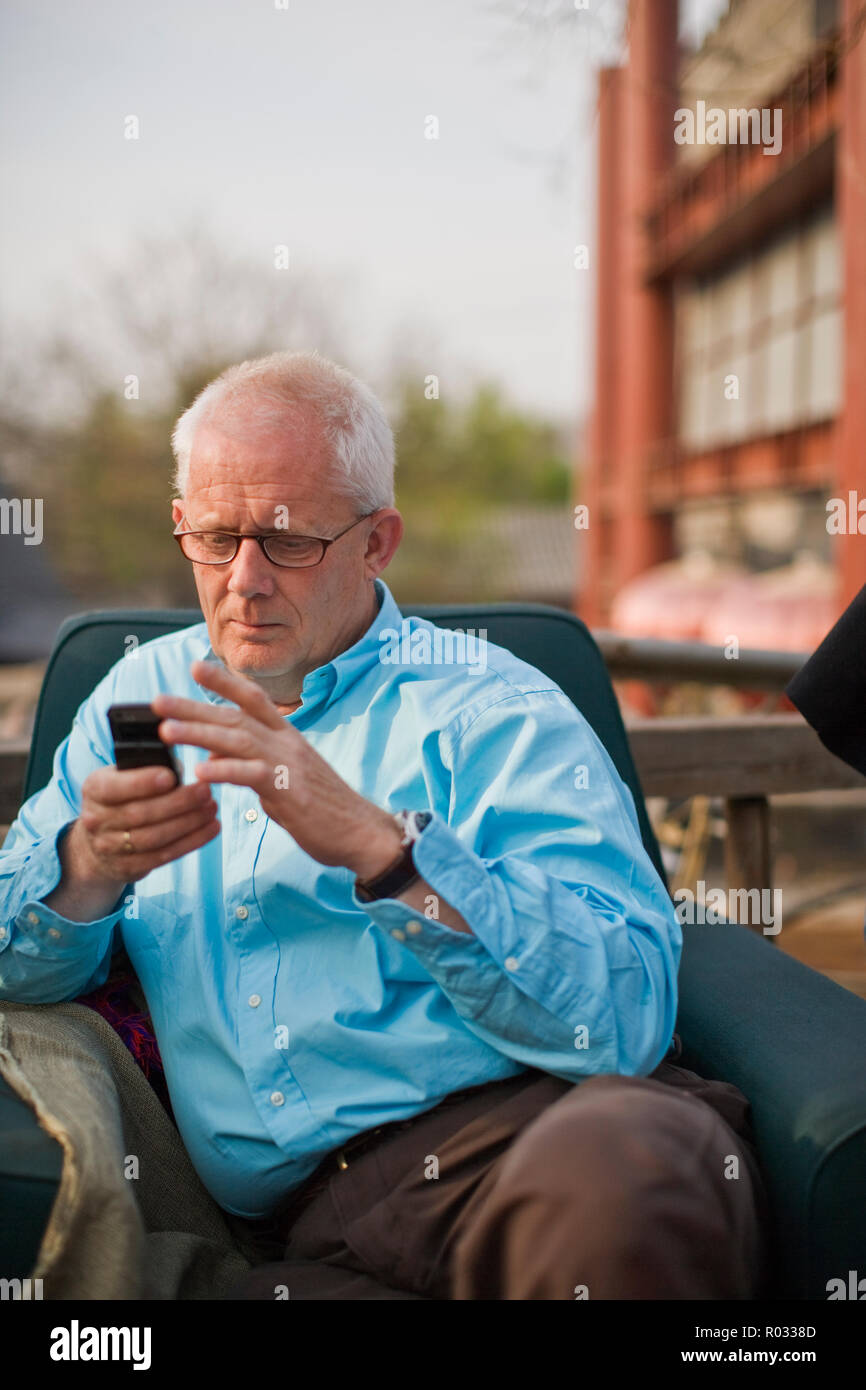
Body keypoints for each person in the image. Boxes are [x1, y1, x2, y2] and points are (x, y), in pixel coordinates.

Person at [0, 350, 769, 1300]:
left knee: (623, 1188)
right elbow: (15, 969)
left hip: (533, 1143)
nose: (243, 581)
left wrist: (387, 850)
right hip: (301, 1235)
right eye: (214, 536)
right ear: (179, 526)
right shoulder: (136, 699)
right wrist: (86, 866)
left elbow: (621, 1016)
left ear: (378, 542)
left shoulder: (496, 708)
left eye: (287, 542)